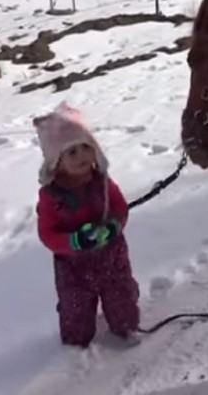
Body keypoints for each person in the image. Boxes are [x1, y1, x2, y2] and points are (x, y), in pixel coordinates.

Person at [33, 102, 141, 348]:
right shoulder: (50, 197)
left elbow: (119, 208)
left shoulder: (103, 182)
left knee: (120, 293)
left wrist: (114, 226)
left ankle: (125, 326)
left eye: (86, 147)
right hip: (73, 266)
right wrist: (74, 241)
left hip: (112, 255)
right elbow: (47, 233)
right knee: (75, 306)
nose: (82, 155)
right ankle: (76, 342)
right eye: (71, 152)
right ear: (55, 162)